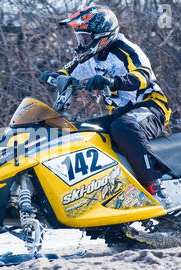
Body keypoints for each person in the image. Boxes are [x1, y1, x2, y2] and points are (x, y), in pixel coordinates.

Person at [39, 4, 171, 203]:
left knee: (123, 127)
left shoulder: (126, 50)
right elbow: (66, 71)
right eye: (79, 38)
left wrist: (113, 81)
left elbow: (143, 75)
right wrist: (54, 77)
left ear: (102, 35)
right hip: (122, 113)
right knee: (81, 132)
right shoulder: (87, 57)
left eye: (85, 38)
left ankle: (155, 185)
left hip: (151, 108)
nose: (81, 44)